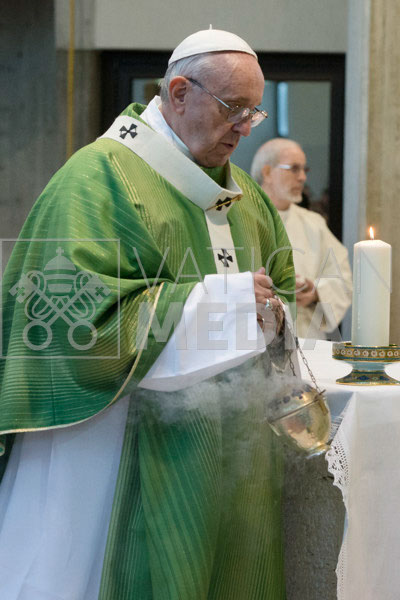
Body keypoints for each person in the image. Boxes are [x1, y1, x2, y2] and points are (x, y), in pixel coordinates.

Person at [0, 30, 296, 599]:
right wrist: (227, 303)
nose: (244, 128)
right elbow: (72, 325)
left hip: (227, 450)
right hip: (117, 446)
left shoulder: (246, 197)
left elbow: (279, 291)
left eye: (254, 113)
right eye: (233, 109)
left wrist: (267, 310)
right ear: (179, 92)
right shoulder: (98, 178)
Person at [251, 137, 352, 340]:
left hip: (306, 336)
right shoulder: (241, 217)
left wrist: (315, 292)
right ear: (267, 172)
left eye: (305, 170)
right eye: (294, 169)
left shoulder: (314, 223)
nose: (302, 177)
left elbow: (343, 278)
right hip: (255, 334)